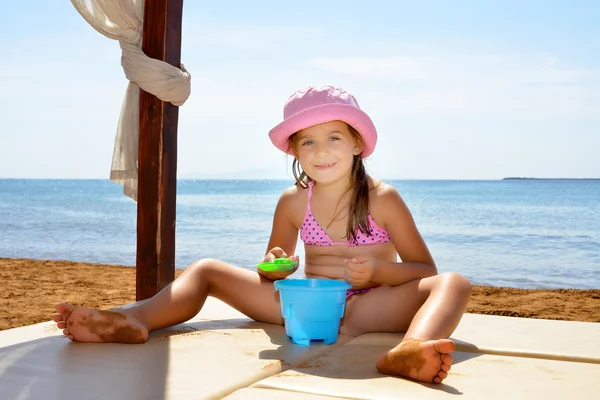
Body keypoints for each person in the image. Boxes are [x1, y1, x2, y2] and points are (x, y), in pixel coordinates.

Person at [54, 85, 472, 384]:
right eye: (308, 141)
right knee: (206, 270)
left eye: (333, 138)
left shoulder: (383, 199)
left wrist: (380, 271)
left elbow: (423, 269)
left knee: (453, 282)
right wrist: (276, 263)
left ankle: (411, 349)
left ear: (357, 144)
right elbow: (273, 268)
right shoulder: (293, 201)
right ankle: (133, 320)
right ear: (295, 150)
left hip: (367, 307)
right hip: (303, 309)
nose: (321, 151)